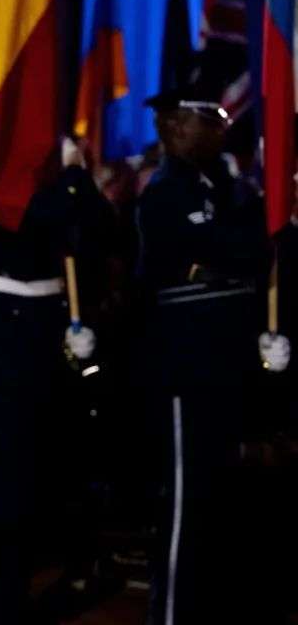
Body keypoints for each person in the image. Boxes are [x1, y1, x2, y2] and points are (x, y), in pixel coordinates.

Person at [0, 135, 116, 623]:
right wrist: (64, 179)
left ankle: (18, 589)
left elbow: (103, 232)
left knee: (43, 479)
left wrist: (76, 175)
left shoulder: (56, 184)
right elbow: (29, 222)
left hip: (44, 332)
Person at [135, 86, 272, 624]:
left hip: (229, 356)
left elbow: (255, 246)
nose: (221, 127)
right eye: (208, 119)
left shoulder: (227, 186)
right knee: (186, 498)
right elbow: (230, 247)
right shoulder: (165, 190)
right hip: (186, 362)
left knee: (228, 496)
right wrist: (241, 245)